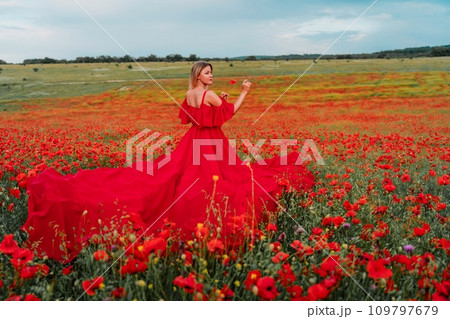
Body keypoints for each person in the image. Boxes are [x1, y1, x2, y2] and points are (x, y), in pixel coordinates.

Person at [22, 61, 315, 263]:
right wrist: (243, 94)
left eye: (212, 73)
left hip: (192, 142)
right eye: (209, 73)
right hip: (211, 144)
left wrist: (218, 99)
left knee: (177, 176)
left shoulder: (190, 93)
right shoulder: (210, 94)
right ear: (200, 75)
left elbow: (198, 114)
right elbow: (230, 112)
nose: (212, 77)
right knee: (220, 182)